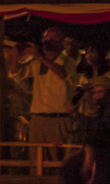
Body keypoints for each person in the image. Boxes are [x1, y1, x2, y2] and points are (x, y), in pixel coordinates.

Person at [8, 27, 78, 163]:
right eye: (46, 39)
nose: (49, 42)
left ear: (61, 43)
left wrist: (40, 57)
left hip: (59, 119)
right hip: (38, 119)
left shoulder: (68, 61)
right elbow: (16, 74)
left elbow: (63, 73)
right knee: (36, 160)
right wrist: (15, 56)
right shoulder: (36, 62)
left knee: (59, 160)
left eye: (53, 39)